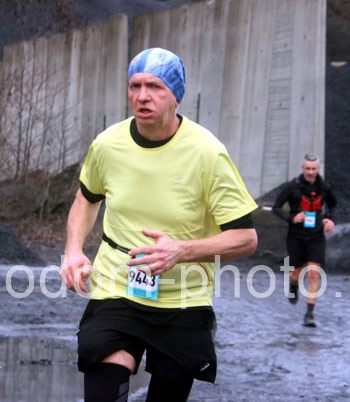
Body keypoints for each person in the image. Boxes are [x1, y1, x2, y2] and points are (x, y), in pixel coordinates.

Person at [60, 47, 258, 402]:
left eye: (154, 86)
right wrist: (73, 250)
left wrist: (180, 251)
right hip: (117, 287)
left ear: (176, 97)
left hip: (183, 296)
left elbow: (245, 238)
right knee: (104, 381)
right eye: (135, 85)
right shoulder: (108, 145)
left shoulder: (207, 153)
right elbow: (86, 198)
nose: (142, 96)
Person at [272, 153, 337, 327]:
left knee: (314, 273)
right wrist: (292, 218)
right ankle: (293, 285)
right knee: (296, 273)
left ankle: (309, 314)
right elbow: (276, 208)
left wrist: (330, 219)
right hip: (296, 235)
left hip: (316, 235)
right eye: (307, 168)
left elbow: (333, 205)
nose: (310, 172)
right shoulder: (292, 186)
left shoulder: (324, 187)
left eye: (313, 169)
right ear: (302, 168)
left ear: (318, 169)